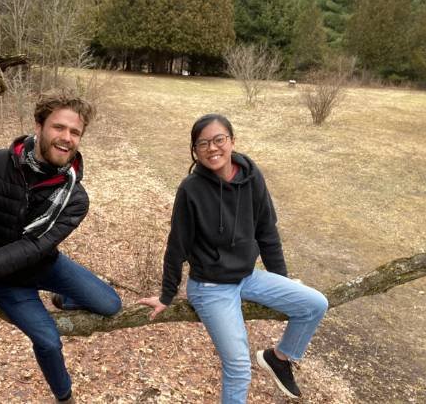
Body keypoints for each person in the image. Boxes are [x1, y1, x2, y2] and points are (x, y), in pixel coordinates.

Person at [0, 89, 122, 403]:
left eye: (75, 132)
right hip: (5, 279)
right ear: (39, 126)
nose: (66, 137)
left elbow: (33, 248)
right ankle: (64, 396)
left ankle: (61, 298)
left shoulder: (74, 198)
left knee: (111, 305)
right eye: (59, 127)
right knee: (49, 341)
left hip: (44, 264)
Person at [139, 114, 328, 403]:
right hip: (210, 287)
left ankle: (279, 358)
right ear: (195, 150)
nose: (212, 148)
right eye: (202, 144)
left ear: (232, 141)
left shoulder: (252, 178)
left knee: (315, 303)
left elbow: (267, 232)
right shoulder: (191, 189)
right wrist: (166, 295)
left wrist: (281, 279)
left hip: (247, 276)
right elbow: (177, 245)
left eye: (219, 140)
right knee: (239, 367)